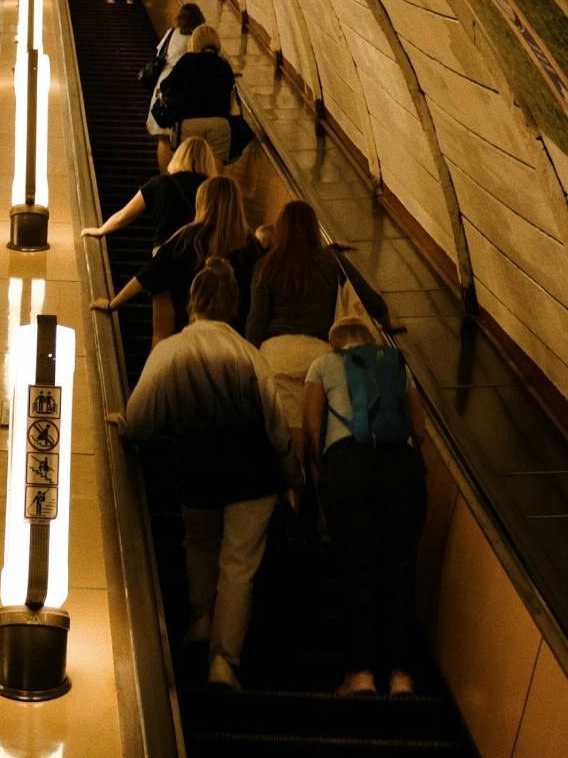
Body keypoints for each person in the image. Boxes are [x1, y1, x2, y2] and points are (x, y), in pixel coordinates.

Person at [115, 257, 302, 691]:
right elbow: (276, 428)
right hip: (253, 474)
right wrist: (293, 476)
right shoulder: (248, 354)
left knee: (199, 542)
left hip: (195, 468)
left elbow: (140, 419)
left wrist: (124, 426)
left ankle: (200, 620)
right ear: (233, 306)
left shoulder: (170, 352)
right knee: (239, 566)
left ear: (191, 303)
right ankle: (223, 662)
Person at [302, 316, 426, 699]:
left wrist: (323, 470)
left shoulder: (323, 363)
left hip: (347, 464)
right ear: (368, 340)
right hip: (402, 468)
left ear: (335, 341)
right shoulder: (396, 362)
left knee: (357, 566)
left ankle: (361, 675)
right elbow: (418, 429)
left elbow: (309, 425)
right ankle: (401, 676)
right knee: (400, 568)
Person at [92, 174, 260, 343]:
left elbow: (149, 273)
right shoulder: (253, 246)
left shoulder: (190, 237)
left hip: (188, 329)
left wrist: (112, 304)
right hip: (234, 336)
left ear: (204, 202)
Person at [248, 200, 343, 426]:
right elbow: (371, 299)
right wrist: (386, 319)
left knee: (286, 429)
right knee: (316, 431)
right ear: (313, 228)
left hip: (276, 354)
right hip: (319, 355)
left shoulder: (266, 265)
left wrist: (250, 359)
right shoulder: (332, 262)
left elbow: (257, 319)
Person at [82, 136, 217, 250]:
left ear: (179, 155)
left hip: (165, 250)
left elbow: (124, 216)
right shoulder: (213, 189)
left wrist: (101, 230)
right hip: (201, 252)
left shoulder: (161, 182)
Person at [154, 24, 235, 171]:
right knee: (214, 173)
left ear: (195, 42)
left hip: (189, 122)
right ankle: (209, 192)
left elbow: (167, 84)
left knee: (184, 169)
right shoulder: (225, 65)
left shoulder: (188, 60)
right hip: (219, 124)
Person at [145, 3, 206, 168]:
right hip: (186, 91)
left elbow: (160, 54)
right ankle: (178, 173)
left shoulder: (171, 33)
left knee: (164, 138)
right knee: (180, 139)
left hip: (164, 88)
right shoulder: (198, 40)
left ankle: (164, 175)